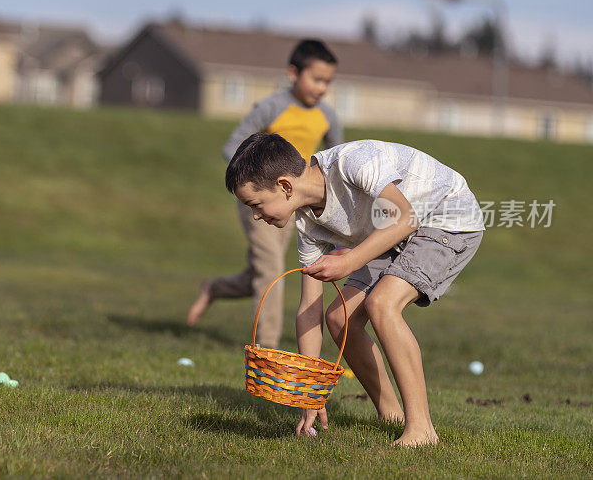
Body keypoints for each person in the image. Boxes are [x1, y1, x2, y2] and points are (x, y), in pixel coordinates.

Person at [225, 132, 485, 447]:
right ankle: (392, 416)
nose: (255, 214)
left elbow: (404, 217)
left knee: (382, 305)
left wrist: (348, 262)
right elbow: (310, 308)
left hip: (446, 216)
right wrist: (311, 392)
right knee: (340, 318)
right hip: (393, 233)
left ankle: (422, 430)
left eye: (256, 204)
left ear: (284, 186)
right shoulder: (308, 225)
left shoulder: (353, 162)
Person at [186, 39, 344, 349]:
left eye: (328, 81)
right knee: (271, 266)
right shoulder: (270, 107)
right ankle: (267, 350)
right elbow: (232, 146)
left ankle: (215, 288)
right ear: (293, 73)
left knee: (261, 271)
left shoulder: (328, 115)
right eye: (316, 78)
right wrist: (259, 176)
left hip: (293, 203)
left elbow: (337, 157)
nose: (322, 88)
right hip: (259, 202)